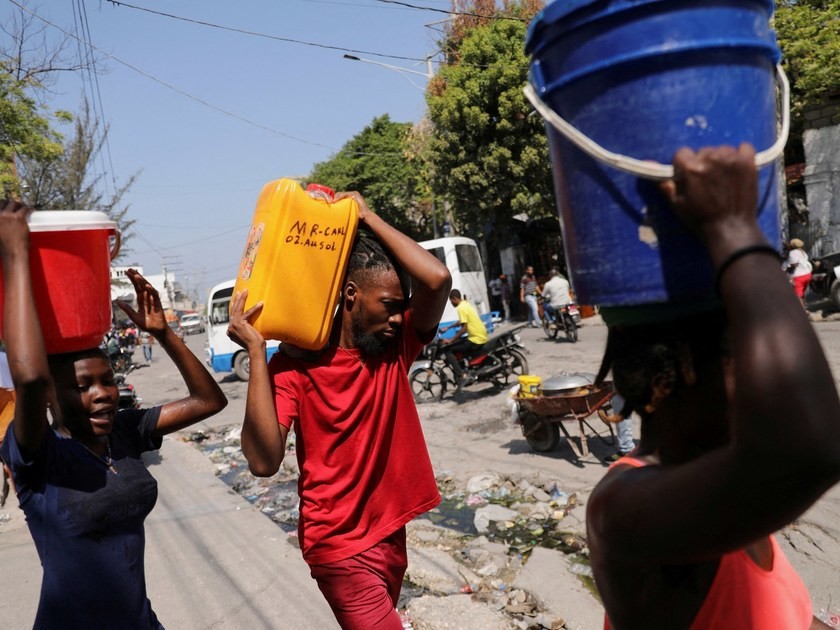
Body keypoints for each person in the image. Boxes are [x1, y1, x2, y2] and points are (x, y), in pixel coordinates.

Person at [586, 145, 840, 629]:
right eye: (741, 352)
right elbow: (812, 450)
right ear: (673, 371)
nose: (765, 377)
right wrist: (735, 230)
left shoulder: (727, 484)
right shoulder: (623, 509)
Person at [227, 190, 451, 630]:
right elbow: (262, 461)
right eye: (388, 306)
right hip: (338, 546)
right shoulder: (294, 366)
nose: (396, 319)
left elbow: (437, 279)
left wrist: (366, 214)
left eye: (401, 309)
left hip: (389, 532)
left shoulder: (395, 348)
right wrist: (257, 352)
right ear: (351, 295)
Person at [0, 198, 228, 629]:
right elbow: (28, 379)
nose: (104, 394)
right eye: (82, 386)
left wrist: (162, 332)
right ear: (50, 395)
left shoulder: (124, 433)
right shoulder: (37, 456)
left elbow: (208, 402)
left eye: (107, 380)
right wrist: (15, 254)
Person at [439, 289, 489, 389]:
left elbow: (464, 328)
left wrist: (450, 340)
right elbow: (462, 321)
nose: (451, 303)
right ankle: (464, 368)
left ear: (454, 298)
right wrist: (448, 327)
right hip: (480, 335)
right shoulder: (465, 304)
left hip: (475, 339)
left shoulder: (460, 308)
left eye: (451, 301)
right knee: (458, 344)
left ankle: (461, 374)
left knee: (449, 350)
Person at [784, 237, 812, 308]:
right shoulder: (803, 252)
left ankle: (802, 310)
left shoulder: (792, 253)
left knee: (798, 294)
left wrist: (787, 268)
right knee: (802, 292)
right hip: (808, 274)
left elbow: (793, 264)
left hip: (799, 276)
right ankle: (805, 306)